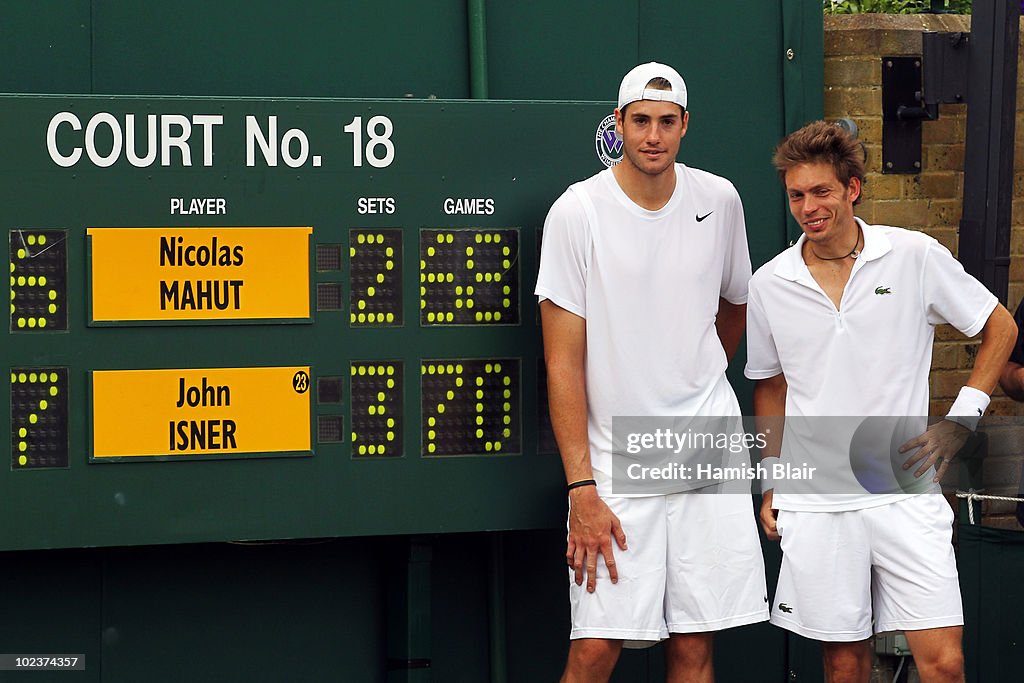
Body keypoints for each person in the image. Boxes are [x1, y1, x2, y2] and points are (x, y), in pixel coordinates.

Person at [746, 120, 1017, 683]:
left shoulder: (914, 256)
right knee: (843, 666)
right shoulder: (770, 284)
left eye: (821, 191)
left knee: (943, 663)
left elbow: (1000, 327)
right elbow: (770, 388)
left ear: (852, 189)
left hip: (904, 489)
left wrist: (961, 419)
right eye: (796, 195)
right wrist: (772, 480)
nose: (808, 207)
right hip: (816, 499)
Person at [535, 62, 769, 683]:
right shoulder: (576, 212)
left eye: (667, 122)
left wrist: (695, 369)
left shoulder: (719, 200)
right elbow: (562, 362)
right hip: (614, 465)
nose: (653, 135)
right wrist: (581, 487)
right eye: (640, 120)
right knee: (595, 649)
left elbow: (735, 306)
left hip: (706, 450)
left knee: (694, 648)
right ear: (619, 123)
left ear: (685, 126)